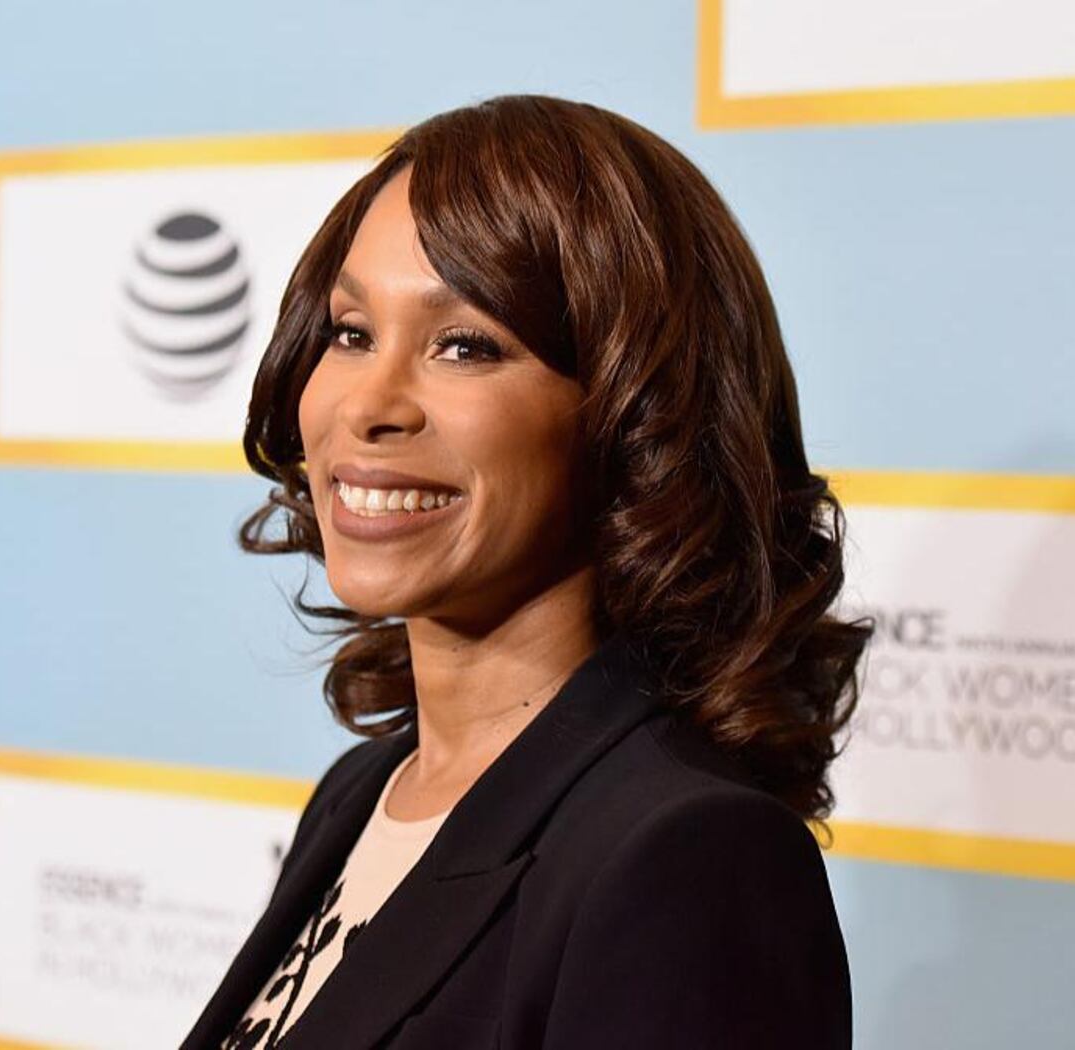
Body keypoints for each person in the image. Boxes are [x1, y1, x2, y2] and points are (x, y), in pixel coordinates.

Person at [180, 94, 873, 1050]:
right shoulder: (362, 793)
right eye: (350, 333)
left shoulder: (685, 860)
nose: (369, 406)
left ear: (636, 420)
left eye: (464, 345)